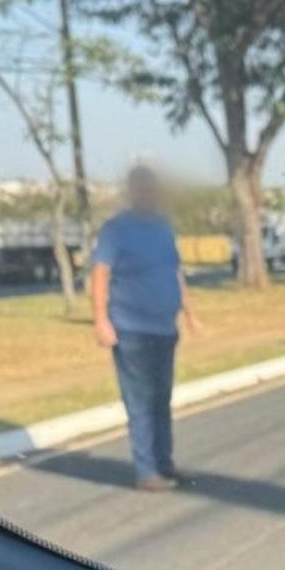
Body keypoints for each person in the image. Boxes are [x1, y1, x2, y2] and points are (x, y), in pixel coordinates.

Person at [91, 166, 201, 490]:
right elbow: (100, 274)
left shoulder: (163, 227)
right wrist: (101, 320)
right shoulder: (116, 230)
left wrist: (190, 313)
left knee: (161, 400)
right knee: (140, 401)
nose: (149, 193)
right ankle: (147, 471)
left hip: (165, 328)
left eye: (152, 188)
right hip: (131, 329)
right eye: (142, 188)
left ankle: (164, 464)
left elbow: (174, 272)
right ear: (131, 191)